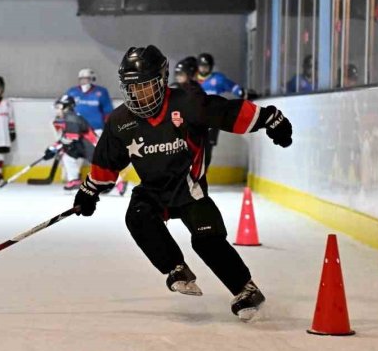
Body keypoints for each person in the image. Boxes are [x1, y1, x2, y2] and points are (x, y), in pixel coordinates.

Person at [73, 45, 293, 321]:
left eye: (145, 86)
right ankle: (175, 268)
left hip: (189, 189)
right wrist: (89, 190)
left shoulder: (188, 103)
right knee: (137, 217)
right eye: (132, 88)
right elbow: (107, 163)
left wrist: (270, 119)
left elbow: (227, 112)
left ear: (162, 81)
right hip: (153, 190)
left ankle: (245, 289)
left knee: (207, 241)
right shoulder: (120, 121)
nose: (138, 95)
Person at [195, 52, 244, 168]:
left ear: (211, 67)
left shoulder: (218, 79)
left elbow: (233, 87)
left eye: (206, 66)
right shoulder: (192, 79)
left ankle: (203, 172)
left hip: (213, 119)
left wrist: (243, 93)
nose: (203, 69)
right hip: (195, 118)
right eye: (201, 66)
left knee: (207, 147)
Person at [46, 94, 99, 190]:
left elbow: (70, 139)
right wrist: (54, 147)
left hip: (91, 145)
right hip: (82, 145)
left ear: (66, 107)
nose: (56, 109)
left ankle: (119, 184)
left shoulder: (71, 118)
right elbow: (67, 138)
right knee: (67, 155)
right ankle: (74, 180)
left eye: (59, 107)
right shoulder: (67, 117)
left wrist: (53, 148)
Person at [65, 68, 113, 134]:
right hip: (76, 128)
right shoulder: (72, 92)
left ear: (92, 79)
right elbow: (65, 108)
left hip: (96, 129)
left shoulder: (101, 92)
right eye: (81, 79)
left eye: (86, 79)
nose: (84, 81)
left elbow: (108, 110)